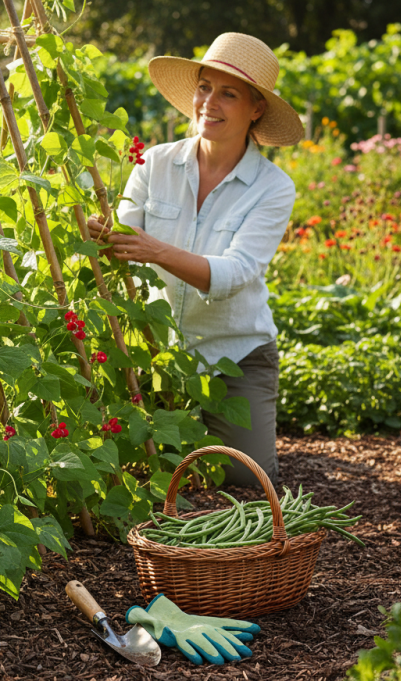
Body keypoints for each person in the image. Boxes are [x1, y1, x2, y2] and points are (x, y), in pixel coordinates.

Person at [88, 32, 304, 486]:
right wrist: (102, 233)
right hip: (154, 351)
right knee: (137, 470)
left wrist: (155, 249)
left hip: (235, 354)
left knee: (245, 483)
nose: (210, 102)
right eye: (204, 87)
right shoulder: (155, 162)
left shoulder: (273, 187)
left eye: (228, 94)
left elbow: (237, 272)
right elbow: (125, 242)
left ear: (256, 109)